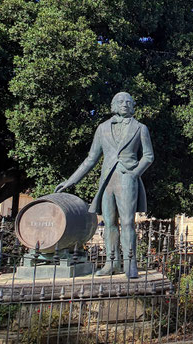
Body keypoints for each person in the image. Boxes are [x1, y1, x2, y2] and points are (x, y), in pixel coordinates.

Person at [55, 92, 154, 278]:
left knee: (127, 222)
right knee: (109, 223)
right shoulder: (102, 128)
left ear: (132, 106)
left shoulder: (141, 128)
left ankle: (130, 264)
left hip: (127, 177)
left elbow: (148, 156)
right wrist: (71, 180)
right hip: (107, 180)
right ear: (113, 105)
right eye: (120, 101)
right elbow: (91, 158)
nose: (124, 104)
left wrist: (134, 173)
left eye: (128, 102)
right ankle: (111, 263)